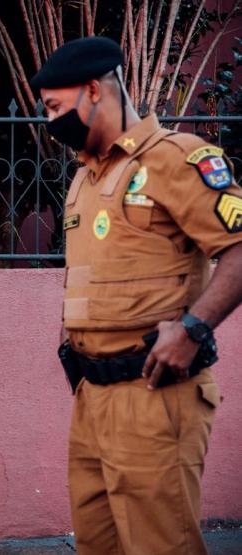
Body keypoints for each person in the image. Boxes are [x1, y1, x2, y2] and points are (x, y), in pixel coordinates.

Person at [33, 36, 242, 554]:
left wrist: (194, 329)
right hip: (92, 398)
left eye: (56, 106)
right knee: (97, 544)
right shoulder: (85, 177)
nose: (51, 120)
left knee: (159, 545)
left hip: (153, 396)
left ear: (93, 90)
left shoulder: (176, 159)